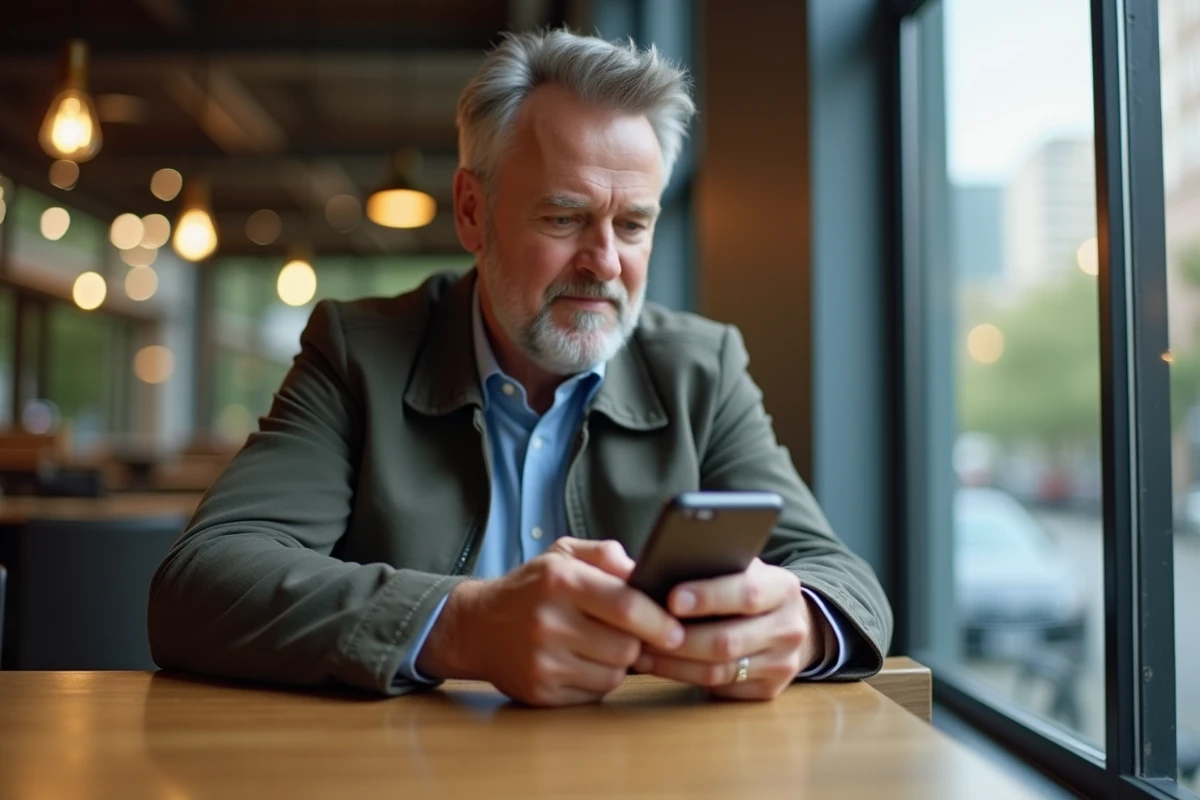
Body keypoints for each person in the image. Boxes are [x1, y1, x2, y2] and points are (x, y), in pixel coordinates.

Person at [148, 29, 892, 706]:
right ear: (472, 212)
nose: (605, 262)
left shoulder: (703, 369)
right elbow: (201, 583)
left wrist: (798, 621)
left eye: (633, 225)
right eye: (564, 218)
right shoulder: (357, 353)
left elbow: (842, 578)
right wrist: (461, 627)